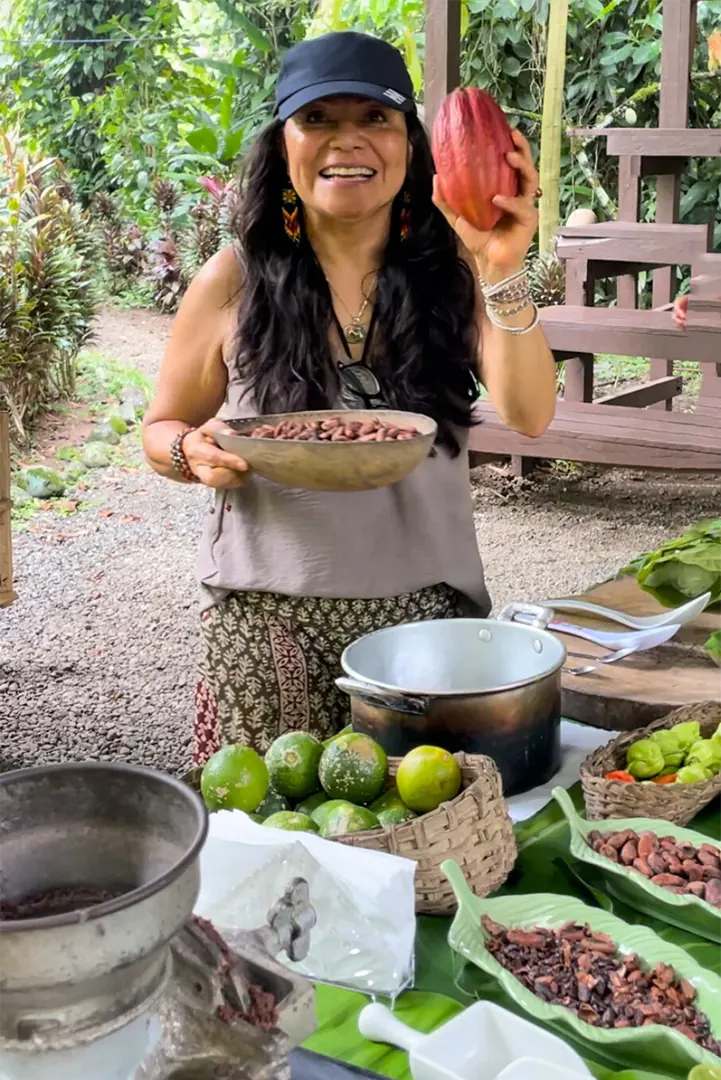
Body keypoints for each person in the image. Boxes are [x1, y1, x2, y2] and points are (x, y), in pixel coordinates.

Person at [142, 31, 557, 764]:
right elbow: (162, 426)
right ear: (283, 145)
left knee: (429, 823)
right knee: (273, 824)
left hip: (426, 618)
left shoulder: (454, 271)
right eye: (317, 119)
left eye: (374, 118)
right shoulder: (233, 280)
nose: (347, 141)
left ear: (410, 144)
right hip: (266, 623)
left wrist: (501, 268)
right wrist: (187, 450)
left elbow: (531, 415)